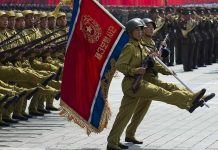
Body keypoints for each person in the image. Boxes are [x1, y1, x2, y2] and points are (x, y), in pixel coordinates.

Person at [106, 18, 215, 150]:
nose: (141, 32)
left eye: (141, 29)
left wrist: (166, 70)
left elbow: (153, 62)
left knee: (125, 114)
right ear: (130, 32)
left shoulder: (140, 46)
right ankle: (190, 100)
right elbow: (120, 65)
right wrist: (135, 70)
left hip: (137, 84)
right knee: (162, 92)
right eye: (138, 30)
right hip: (132, 84)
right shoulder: (129, 47)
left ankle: (113, 141)